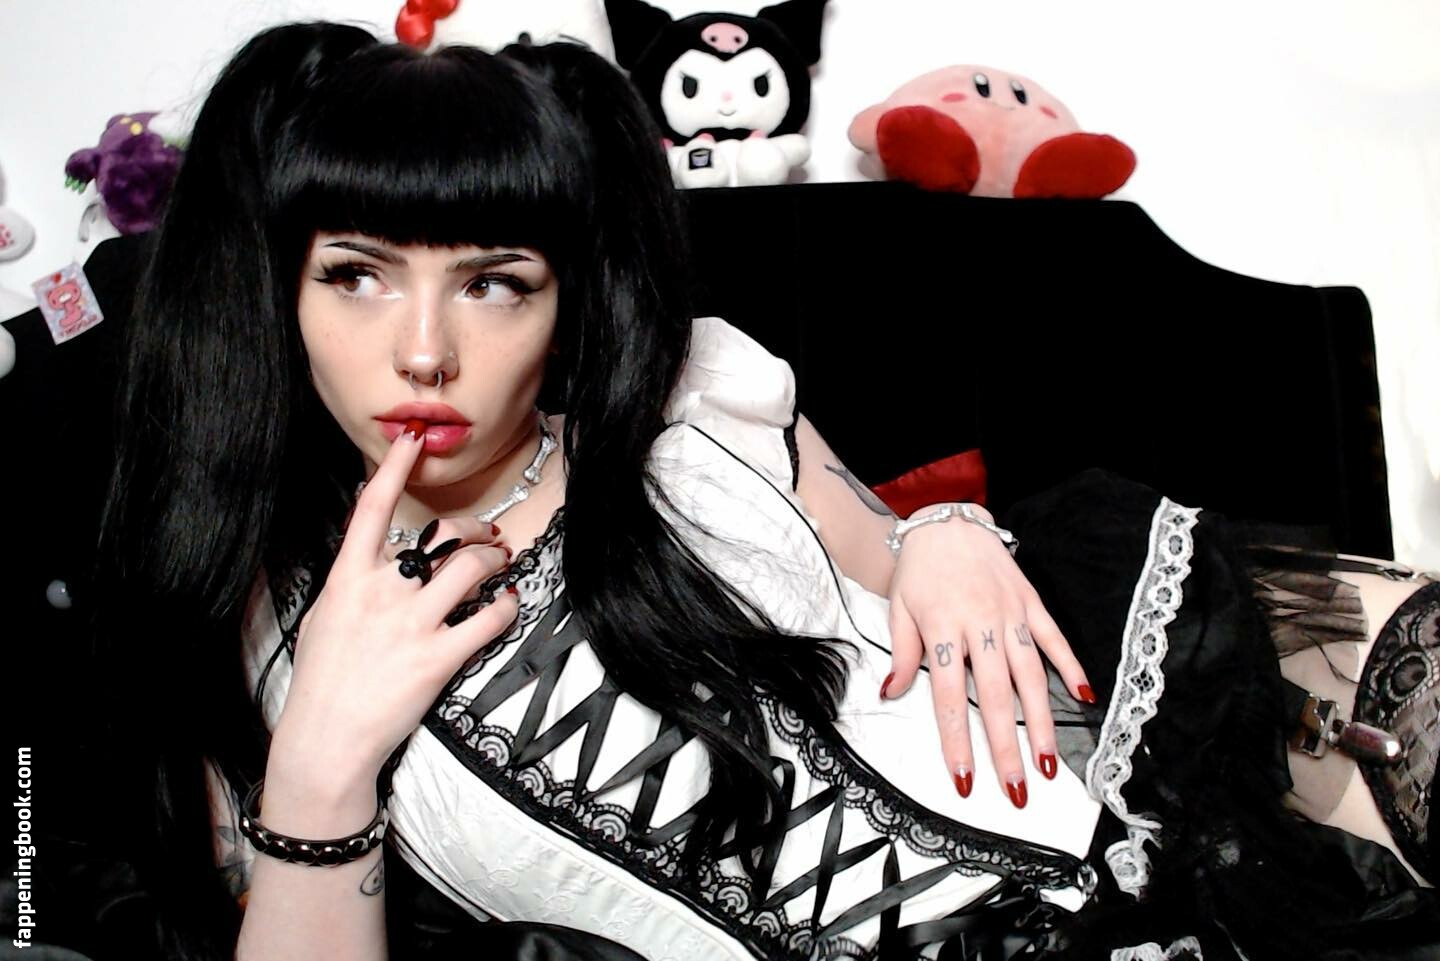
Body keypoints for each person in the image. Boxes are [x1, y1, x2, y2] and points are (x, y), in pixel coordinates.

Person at [92, 21, 1440, 961]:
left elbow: (884, 551)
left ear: (561, 304)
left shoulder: (685, 407)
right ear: (281, 291)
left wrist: (947, 534)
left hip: (1115, 811)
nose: (426, 351)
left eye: (494, 280)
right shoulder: (247, 647)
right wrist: (321, 763)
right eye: (358, 274)